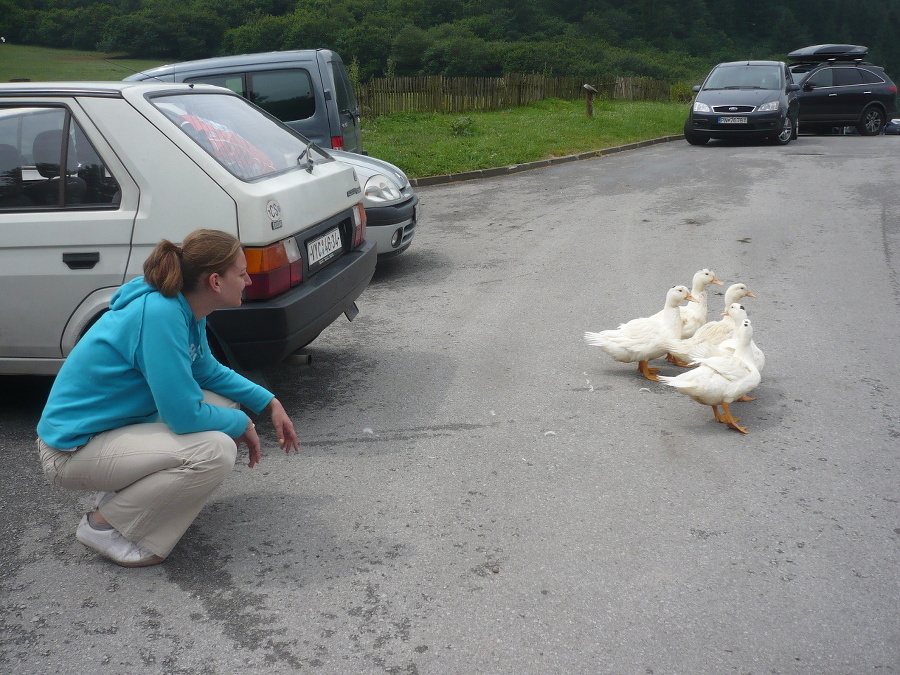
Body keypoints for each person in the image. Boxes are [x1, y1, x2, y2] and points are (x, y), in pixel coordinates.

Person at [36, 229, 299, 568]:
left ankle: (125, 498)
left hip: (109, 431)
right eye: (242, 273)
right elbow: (183, 417)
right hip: (71, 451)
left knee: (221, 403)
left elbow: (206, 371)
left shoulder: (184, 306)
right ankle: (104, 526)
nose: (248, 280)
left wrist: (269, 402)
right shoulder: (161, 314)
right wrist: (244, 422)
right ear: (215, 281)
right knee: (215, 450)